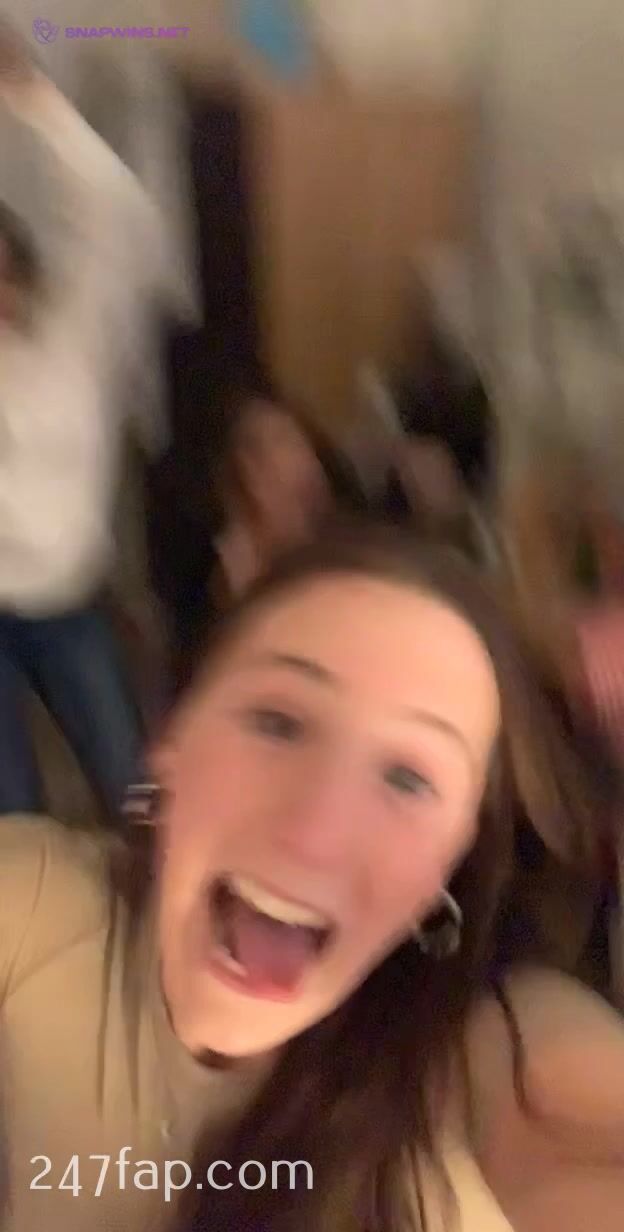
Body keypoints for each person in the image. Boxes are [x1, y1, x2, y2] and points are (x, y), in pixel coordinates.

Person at [1, 524, 623, 1232]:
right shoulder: (37, 898)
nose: (315, 835)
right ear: (172, 741)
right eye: (277, 722)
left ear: (450, 866)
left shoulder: (476, 1077)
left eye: (409, 779)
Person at [0, 37, 174, 819]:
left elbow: (111, 212)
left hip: (68, 605)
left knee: (135, 794)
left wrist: (29, 97)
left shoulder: (76, 333)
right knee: (11, 823)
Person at [172, 389, 367, 692]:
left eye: (296, 442)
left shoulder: (350, 548)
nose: (300, 460)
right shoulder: (225, 577)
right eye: (274, 446)